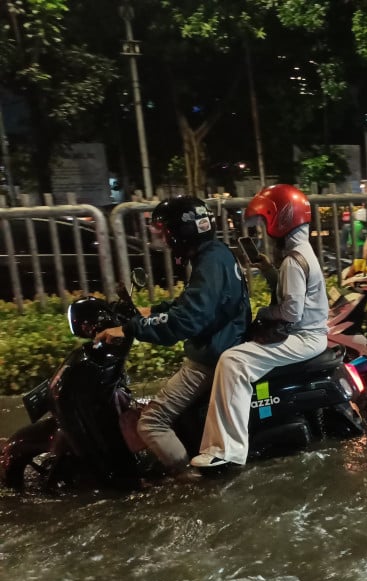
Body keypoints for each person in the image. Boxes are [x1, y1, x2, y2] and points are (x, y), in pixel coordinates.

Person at [94, 196, 251, 478]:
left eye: (166, 231)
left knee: (151, 422)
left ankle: (189, 483)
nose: (164, 238)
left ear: (184, 230)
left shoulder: (210, 262)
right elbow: (192, 303)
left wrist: (131, 329)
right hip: (218, 345)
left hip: (210, 357)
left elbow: (187, 320)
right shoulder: (213, 254)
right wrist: (152, 311)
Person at [191, 184, 329, 468]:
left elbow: (291, 312)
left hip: (304, 336)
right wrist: (267, 269)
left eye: (266, 221)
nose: (264, 229)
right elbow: (292, 292)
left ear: (281, 220)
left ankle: (225, 451)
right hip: (309, 333)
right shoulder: (300, 252)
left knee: (232, 361)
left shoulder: (293, 260)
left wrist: (265, 312)